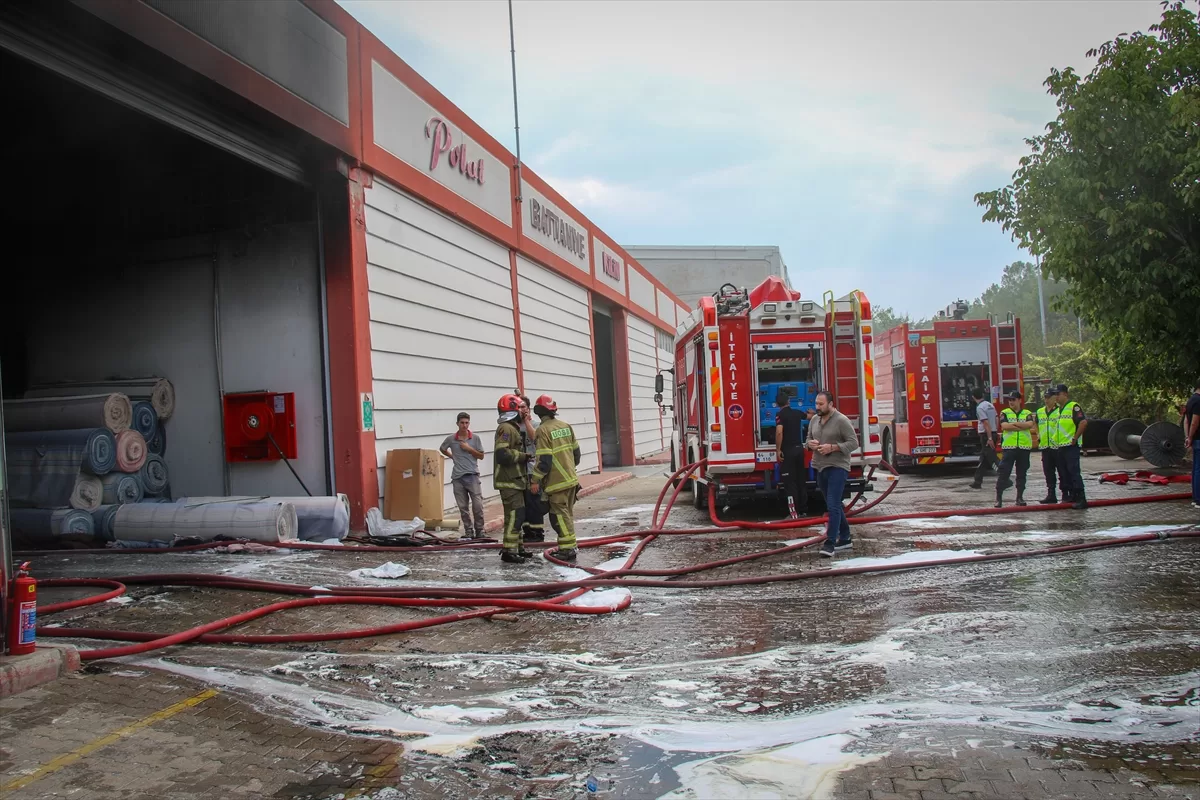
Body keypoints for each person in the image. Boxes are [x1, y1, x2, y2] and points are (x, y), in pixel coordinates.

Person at [807, 390, 859, 557]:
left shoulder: (842, 421)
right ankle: (845, 538)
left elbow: (853, 442)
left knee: (832, 504)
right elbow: (807, 440)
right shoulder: (814, 420)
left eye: (821, 404)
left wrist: (833, 447)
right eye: (816, 403)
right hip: (820, 466)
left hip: (837, 466)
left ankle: (830, 543)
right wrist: (811, 444)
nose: (818, 407)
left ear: (830, 404)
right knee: (834, 504)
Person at [529, 394, 582, 561]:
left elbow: (544, 461)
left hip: (556, 483)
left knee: (559, 517)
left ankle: (568, 549)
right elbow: (577, 454)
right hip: (571, 480)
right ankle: (569, 546)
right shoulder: (566, 426)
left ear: (538, 412)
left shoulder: (543, 430)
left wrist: (535, 480)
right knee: (566, 515)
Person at [493, 394, 532, 564]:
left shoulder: (512, 427)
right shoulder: (506, 429)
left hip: (516, 480)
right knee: (515, 516)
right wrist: (523, 456)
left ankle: (518, 548)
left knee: (518, 516)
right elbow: (502, 454)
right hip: (509, 481)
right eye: (520, 408)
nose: (523, 411)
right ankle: (509, 550)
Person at [440, 412, 485, 538]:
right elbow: (442, 448)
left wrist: (469, 449)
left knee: (477, 506)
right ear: (457, 424)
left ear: (469, 423)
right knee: (463, 507)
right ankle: (468, 530)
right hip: (458, 477)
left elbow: (481, 456)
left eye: (466, 423)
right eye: (462, 423)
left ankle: (480, 530)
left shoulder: (475, 438)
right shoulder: (451, 439)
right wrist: (452, 457)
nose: (464, 425)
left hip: (472, 475)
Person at [515, 393, 547, 543]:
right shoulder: (513, 426)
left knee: (535, 502)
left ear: (529, 409)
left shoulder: (535, 425)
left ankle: (537, 532)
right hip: (518, 472)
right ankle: (527, 531)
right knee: (523, 504)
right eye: (519, 407)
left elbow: (534, 438)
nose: (521, 409)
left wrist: (526, 421)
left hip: (532, 470)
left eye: (524, 407)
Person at [995, 390, 1035, 508]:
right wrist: (1020, 426)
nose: (1011, 402)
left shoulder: (1026, 413)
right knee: (1004, 473)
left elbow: (1030, 425)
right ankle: (998, 498)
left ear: (1019, 400)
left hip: (1023, 448)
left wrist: (1014, 426)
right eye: (1010, 400)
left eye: (1013, 400)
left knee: (1021, 473)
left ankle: (1019, 497)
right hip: (1009, 448)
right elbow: (1004, 426)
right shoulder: (1005, 412)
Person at [774, 389, 809, 519]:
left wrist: (778, 450)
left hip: (788, 451)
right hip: (800, 450)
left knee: (790, 483)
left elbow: (779, 432)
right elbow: (810, 417)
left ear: (777, 404)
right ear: (789, 401)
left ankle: (793, 513)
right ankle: (804, 511)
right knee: (801, 480)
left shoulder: (780, 415)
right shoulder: (797, 413)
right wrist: (813, 412)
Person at [1055, 384, 1088, 509]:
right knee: (1065, 473)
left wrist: (1075, 437)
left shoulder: (1073, 406)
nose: (1056, 397)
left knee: (1074, 472)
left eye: (1058, 394)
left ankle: (1081, 498)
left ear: (1065, 394)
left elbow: (1083, 422)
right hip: (1061, 446)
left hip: (1071, 446)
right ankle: (1073, 496)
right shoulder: (1059, 410)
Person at [1035, 386, 1067, 504]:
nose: (1046, 400)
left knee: (1062, 471)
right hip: (1045, 446)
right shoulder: (1040, 412)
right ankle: (1051, 495)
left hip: (1057, 447)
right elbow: (1036, 424)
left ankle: (1065, 494)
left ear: (1055, 398)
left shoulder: (1060, 411)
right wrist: (1038, 434)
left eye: (1049, 397)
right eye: (1045, 397)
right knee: (1048, 472)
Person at [969, 388, 998, 489]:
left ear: (973, 397)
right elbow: (996, 418)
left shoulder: (980, 408)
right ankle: (977, 481)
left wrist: (989, 438)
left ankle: (1005, 478)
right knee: (983, 459)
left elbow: (985, 423)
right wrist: (995, 431)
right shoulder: (990, 405)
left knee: (992, 459)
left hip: (986, 435)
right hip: (993, 432)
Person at [1183, 378, 1200, 509]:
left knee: (1196, 469)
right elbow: (1194, 422)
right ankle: (1198, 499)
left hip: (1195, 440)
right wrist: (1191, 436)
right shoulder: (1199, 401)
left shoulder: (1191, 400)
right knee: (1198, 470)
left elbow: (1186, 421)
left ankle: (1195, 498)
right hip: (1199, 439)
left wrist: (1188, 437)